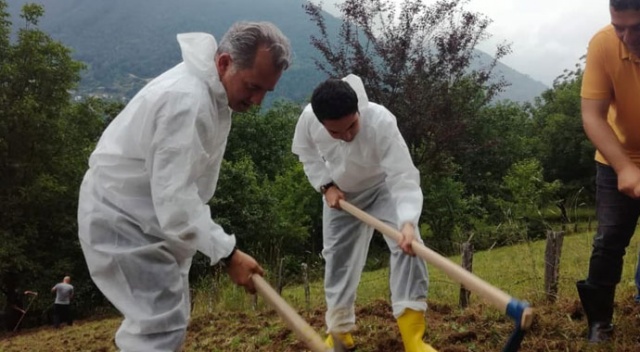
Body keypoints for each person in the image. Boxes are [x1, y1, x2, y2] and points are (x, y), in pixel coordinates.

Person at [77, 21, 291, 351]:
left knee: (168, 323)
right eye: (252, 86)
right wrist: (228, 253)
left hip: (152, 222)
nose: (258, 100)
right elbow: (174, 199)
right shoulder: (186, 101)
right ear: (223, 63)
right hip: (123, 220)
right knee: (158, 328)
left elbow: (180, 193)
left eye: (266, 91)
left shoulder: (214, 95)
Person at [292, 75, 435, 352]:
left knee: (410, 246)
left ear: (358, 110)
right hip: (341, 196)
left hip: (383, 189)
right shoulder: (309, 119)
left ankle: (413, 338)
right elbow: (306, 154)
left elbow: (402, 176)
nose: (346, 136)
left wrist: (406, 222)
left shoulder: (380, 121)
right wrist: (326, 186)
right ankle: (340, 333)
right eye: (335, 132)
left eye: (351, 126)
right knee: (338, 260)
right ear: (321, 123)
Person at [577, 0, 640, 343]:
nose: (627, 36)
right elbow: (593, 116)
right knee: (609, 240)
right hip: (616, 155)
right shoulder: (603, 43)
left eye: (637, 27)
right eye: (619, 26)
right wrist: (625, 168)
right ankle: (599, 322)